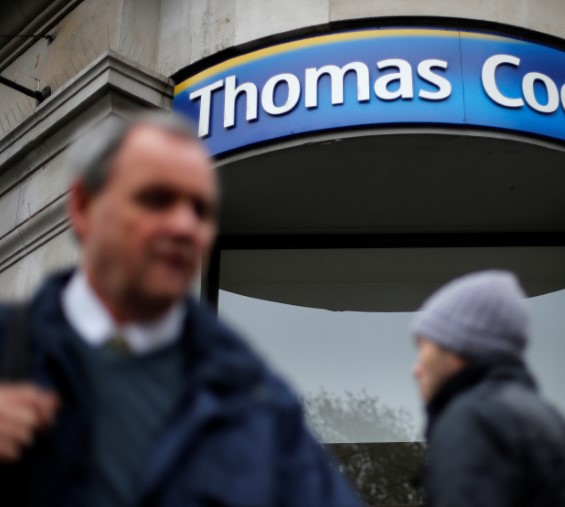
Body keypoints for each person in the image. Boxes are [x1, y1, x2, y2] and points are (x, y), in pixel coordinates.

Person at [0, 113, 361, 507]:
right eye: (157, 199)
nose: (185, 226)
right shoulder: (11, 349)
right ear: (85, 207)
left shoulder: (263, 406)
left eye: (200, 210)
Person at [410, 270, 565, 507]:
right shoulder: (557, 428)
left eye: (423, 347)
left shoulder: (472, 420)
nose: (416, 368)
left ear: (456, 349)